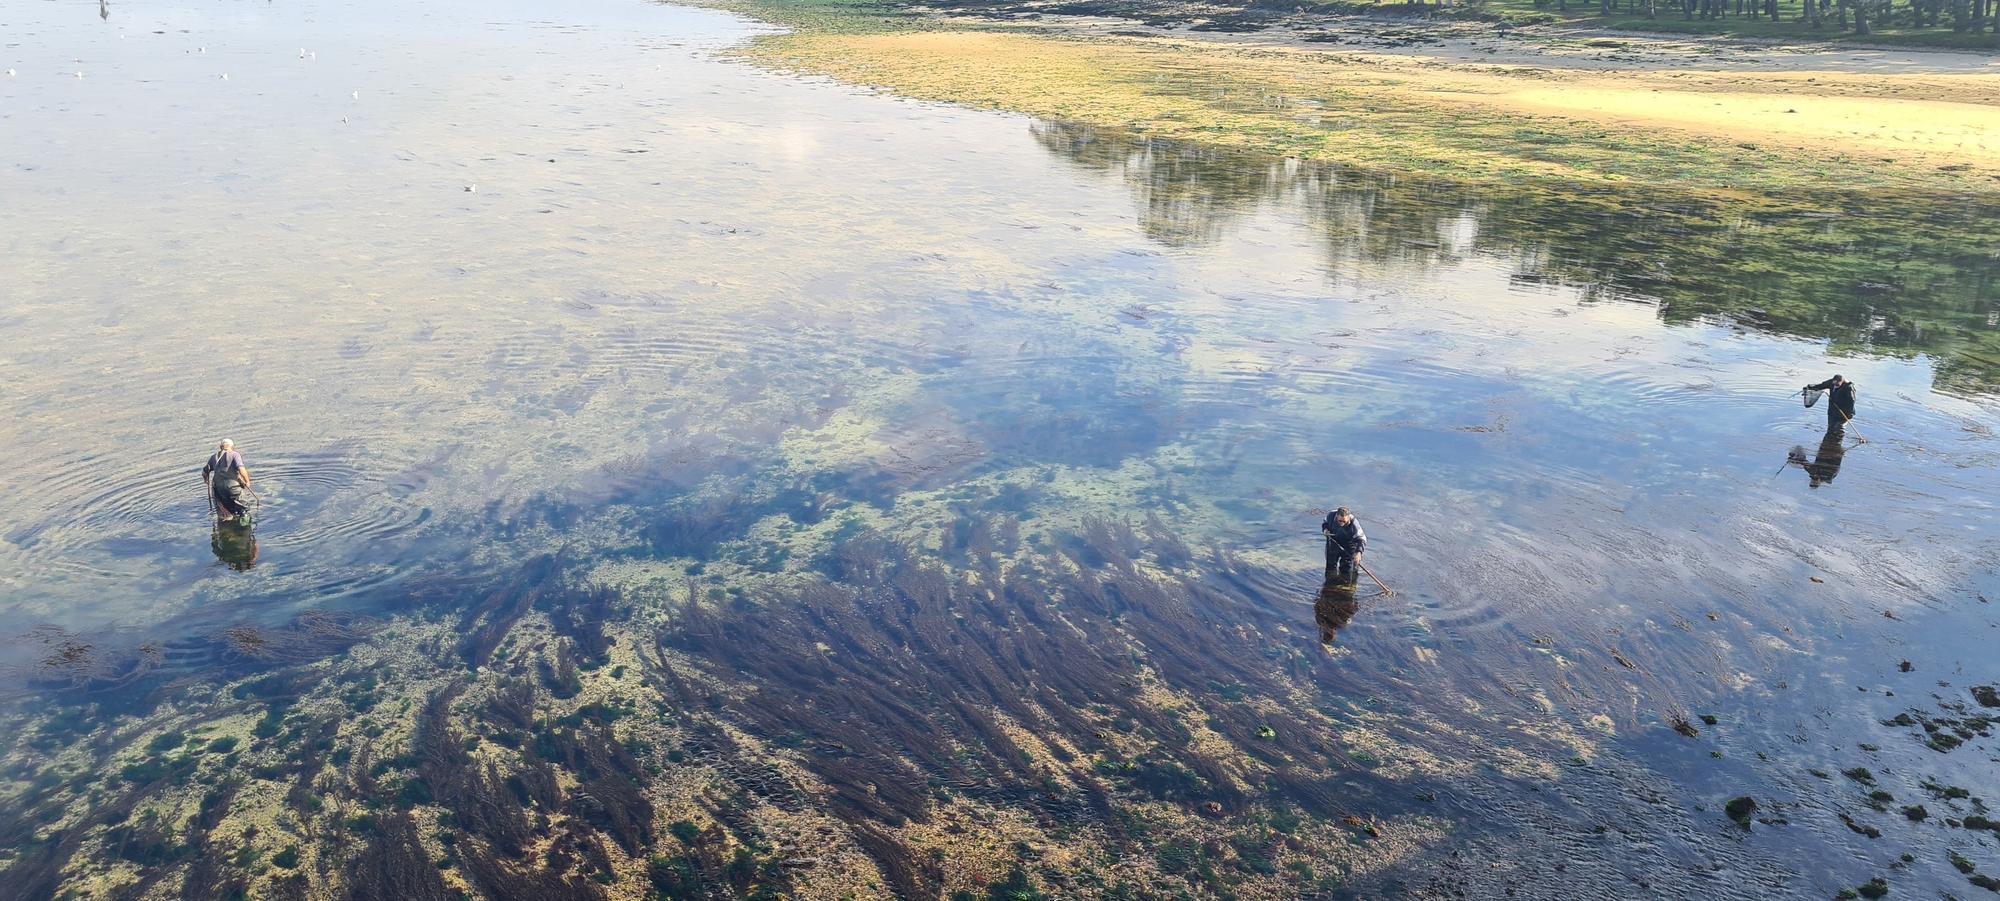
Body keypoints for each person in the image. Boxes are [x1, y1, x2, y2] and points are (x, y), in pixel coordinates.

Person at [202, 439, 253, 524]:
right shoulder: (235, 455)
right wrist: (247, 481)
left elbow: (204, 472)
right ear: (232, 447)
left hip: (219, 490)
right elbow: (241, 469)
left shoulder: (213, 457)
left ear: (220, 447)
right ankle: (245, 529)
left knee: (228, 508)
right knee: (244, 509)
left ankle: (228, 523)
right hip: (233, 488)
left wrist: (206, 480)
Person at [1321, 506, 1366, 584]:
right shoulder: (1331, 515)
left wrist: (1358, 552)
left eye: (1344, 521)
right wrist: (1325, 530)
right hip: (1333, 542)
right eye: (1339, 521)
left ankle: (1346, 586)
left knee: (1347, 569)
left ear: (1348, 517)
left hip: (1349, 545)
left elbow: (1361, 539)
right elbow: (1325, 523)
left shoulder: (1354, 524)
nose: (1341, 523)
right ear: (1336, 516)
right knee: (1330, 566)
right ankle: (1329, 585)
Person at [1315, 578, 1359, 647]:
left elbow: (1354, 608)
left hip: (1341, 593)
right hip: (1330, 591)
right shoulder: (1320, 620)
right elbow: (1316, 604)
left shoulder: (1342, 624)